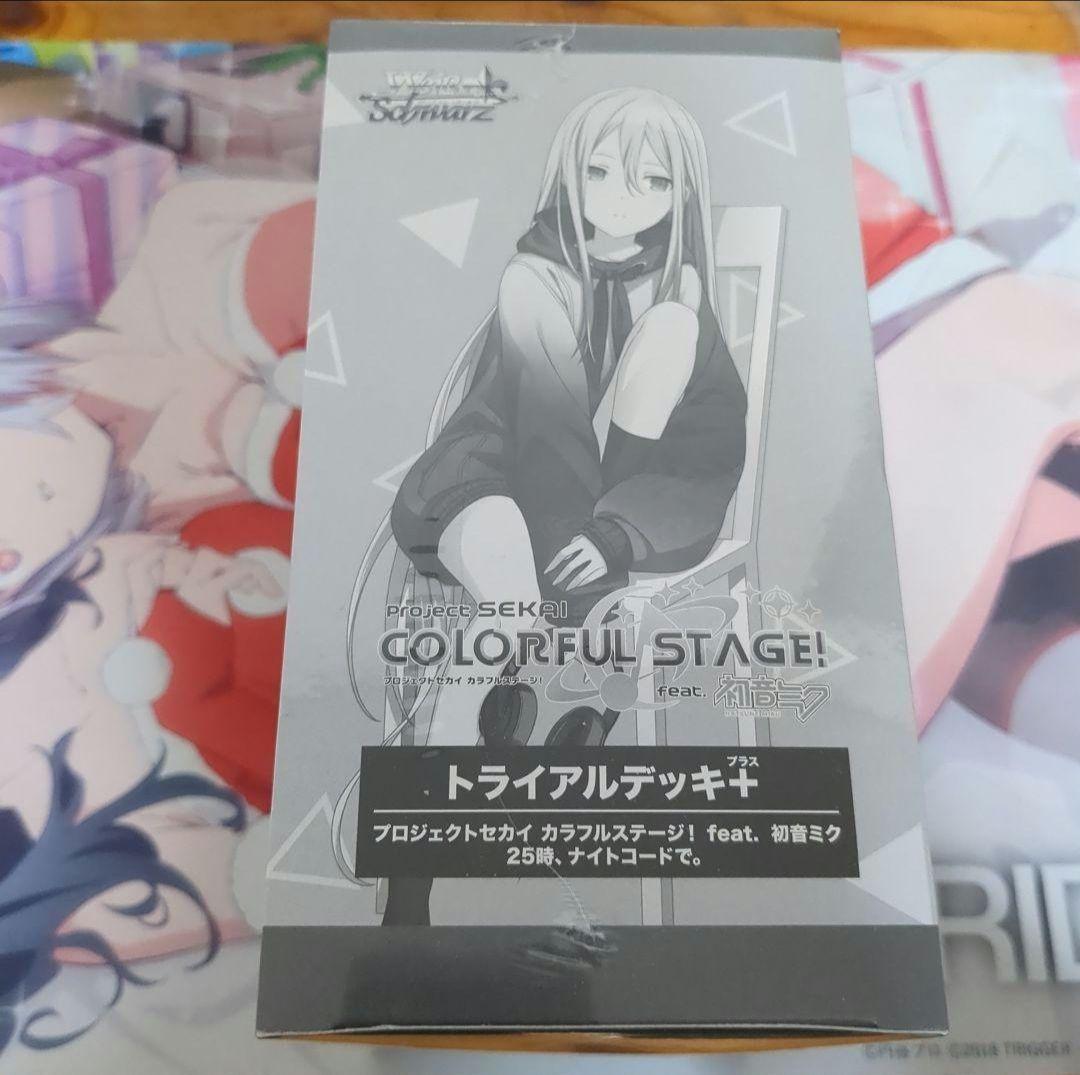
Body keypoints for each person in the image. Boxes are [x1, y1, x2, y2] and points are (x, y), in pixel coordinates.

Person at [381, 87, 747, 923]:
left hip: (627, 501)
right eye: (599, 172)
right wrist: (575, 583)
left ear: (682, 195)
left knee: (669, 333)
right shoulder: (533, 278)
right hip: (491, 474)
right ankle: (417, 866)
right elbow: (542, 437)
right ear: (567, 175)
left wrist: (617, 533)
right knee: (508, 606)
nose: (621, 199)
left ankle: (547, 715)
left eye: (654, 182)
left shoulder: (683, 301)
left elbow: (708, 454)